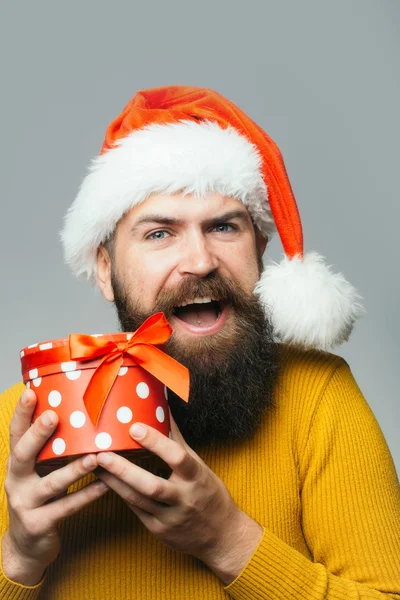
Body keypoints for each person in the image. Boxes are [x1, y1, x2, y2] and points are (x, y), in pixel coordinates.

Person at [1, 85, 399, 600]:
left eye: (224, 227)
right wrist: (18, 559)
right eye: (160, 234)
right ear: (105, 268)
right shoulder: (27, 422)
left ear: (259, 248)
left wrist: (227, 539)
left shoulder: (319, 397)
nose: (201, 261)